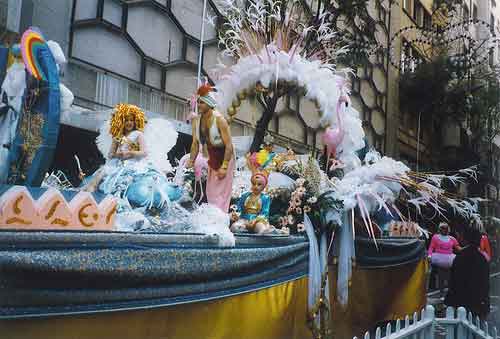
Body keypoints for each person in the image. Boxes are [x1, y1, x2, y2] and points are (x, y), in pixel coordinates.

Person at [187, 83, 234, 212]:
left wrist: (224, 167)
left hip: (225, 157)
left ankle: (220, 219)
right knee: (211, 191)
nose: (199, 105)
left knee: (221, 192)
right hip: (212, 157)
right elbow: (195, 143)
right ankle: (214, 217)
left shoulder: (220, 120)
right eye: (198, 102)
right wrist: (191, 160)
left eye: (201, 102)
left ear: (209, 103)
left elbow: (229, 145)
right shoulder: (196, 121)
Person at [445, 226, 490, 319]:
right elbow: (485, 283)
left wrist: (450, 300)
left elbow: (454, 280)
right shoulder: (481, 258)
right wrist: (486, 302)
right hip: (477, 300)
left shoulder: (460, 256)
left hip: (461, 299)